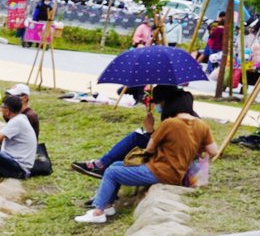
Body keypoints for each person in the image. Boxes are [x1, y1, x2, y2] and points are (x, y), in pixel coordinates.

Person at [76, 95, 219, 224]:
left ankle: (98, 212)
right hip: (177, 173)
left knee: (111, 172)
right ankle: (107, 205)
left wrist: (150, 128)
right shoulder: (202, 125)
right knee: (117, 164)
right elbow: (214, 151)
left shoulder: (170, 123)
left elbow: (150, 148)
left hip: (159, 171)